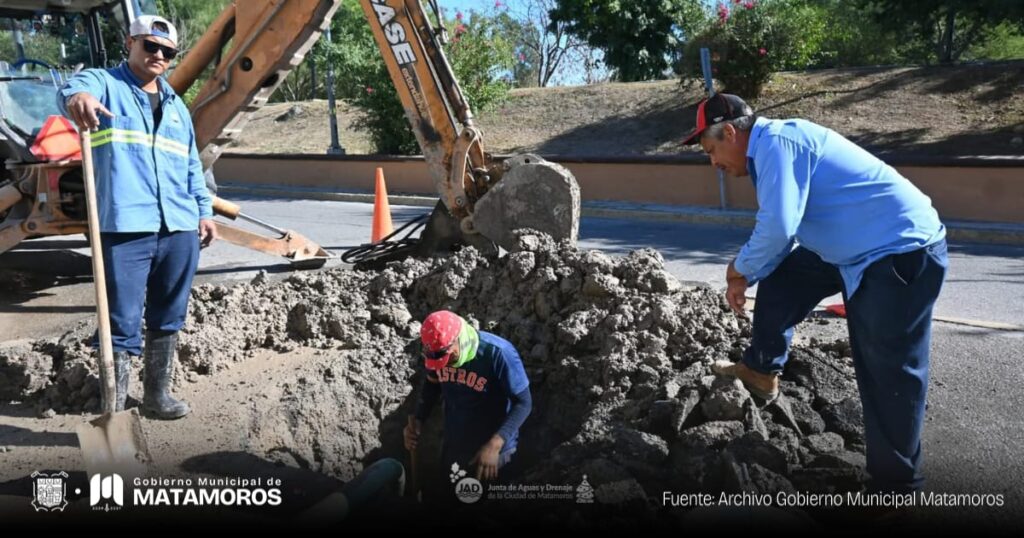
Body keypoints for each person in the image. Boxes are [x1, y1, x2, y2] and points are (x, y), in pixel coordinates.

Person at [685, 93, 947, 493]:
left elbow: (778, 226)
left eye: (711, 150)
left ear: (730, 132)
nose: (713, 164)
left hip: (899, 251)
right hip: (853, 248)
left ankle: (895, 491)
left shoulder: (777, 144)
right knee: (782, 279)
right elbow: (784, 234)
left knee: (887, 371)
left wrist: (737, 269)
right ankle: (760, 369)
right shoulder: (767, 149)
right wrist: (751, 274)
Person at [58, 15, 216, 419]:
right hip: (127, 226)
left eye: (168, 51)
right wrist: (78, 99)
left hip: (178, 226)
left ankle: (156, 398)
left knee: (169, 312)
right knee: (120, 318)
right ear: (130, 42)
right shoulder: (105, 84)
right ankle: (113, 405)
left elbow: (191, 166)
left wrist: (203, 210)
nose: (159, 55)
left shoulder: (177, 106)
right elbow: (73, 89)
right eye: (150, 46)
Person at [404, 311, 532, 487]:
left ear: (459, 340)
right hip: (454, 444)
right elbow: (432, 385)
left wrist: (494, 445)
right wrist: (419, 418)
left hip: (493, 454)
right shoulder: (435, 352)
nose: (444, 365)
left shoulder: (497, 354)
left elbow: (523, 403)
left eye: (448, 358)